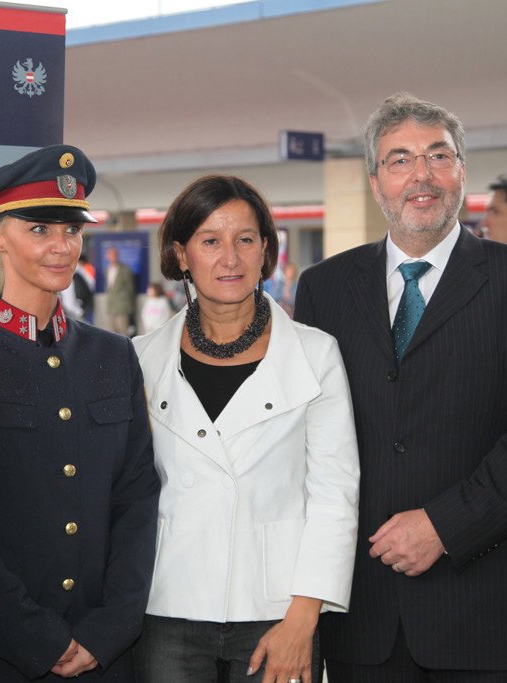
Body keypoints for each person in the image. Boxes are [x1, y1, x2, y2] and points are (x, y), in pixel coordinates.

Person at [294, 92, 507, 682]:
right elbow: (309, 438)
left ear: (461, 172)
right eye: (399, 160)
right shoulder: (324, 288)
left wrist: (446, 525)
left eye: (438, 156)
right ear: (376, 182)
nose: (421, 175)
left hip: (481, 603)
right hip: (361, 610)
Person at [0, 145, 159, 681]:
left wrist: (110, 627)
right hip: (2, 653)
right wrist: (33, 635)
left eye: (72, 230)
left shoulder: (113, 356)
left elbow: (136, 497)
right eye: (39, 230)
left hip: (106, 653)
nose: (62, 247)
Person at [132, 175, 360, 683]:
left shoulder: (315, 354)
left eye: (245, 239)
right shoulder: (140, 358)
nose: (230, 259)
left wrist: (303, 617)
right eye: (210, 241)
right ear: (181, 255)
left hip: (278, 609)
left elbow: (334, 495)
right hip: (168, 605)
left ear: (265, 251)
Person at [105, 244, 137, 335]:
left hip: (122, 307)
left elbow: (130, 289)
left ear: (118, 255)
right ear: (107, 256)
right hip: (111, 307)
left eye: (115, 254)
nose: (113, 257)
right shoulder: (107, 269)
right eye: (111, 255)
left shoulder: (125, 269)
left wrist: (130, 306)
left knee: (123, 333)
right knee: (111, 334)